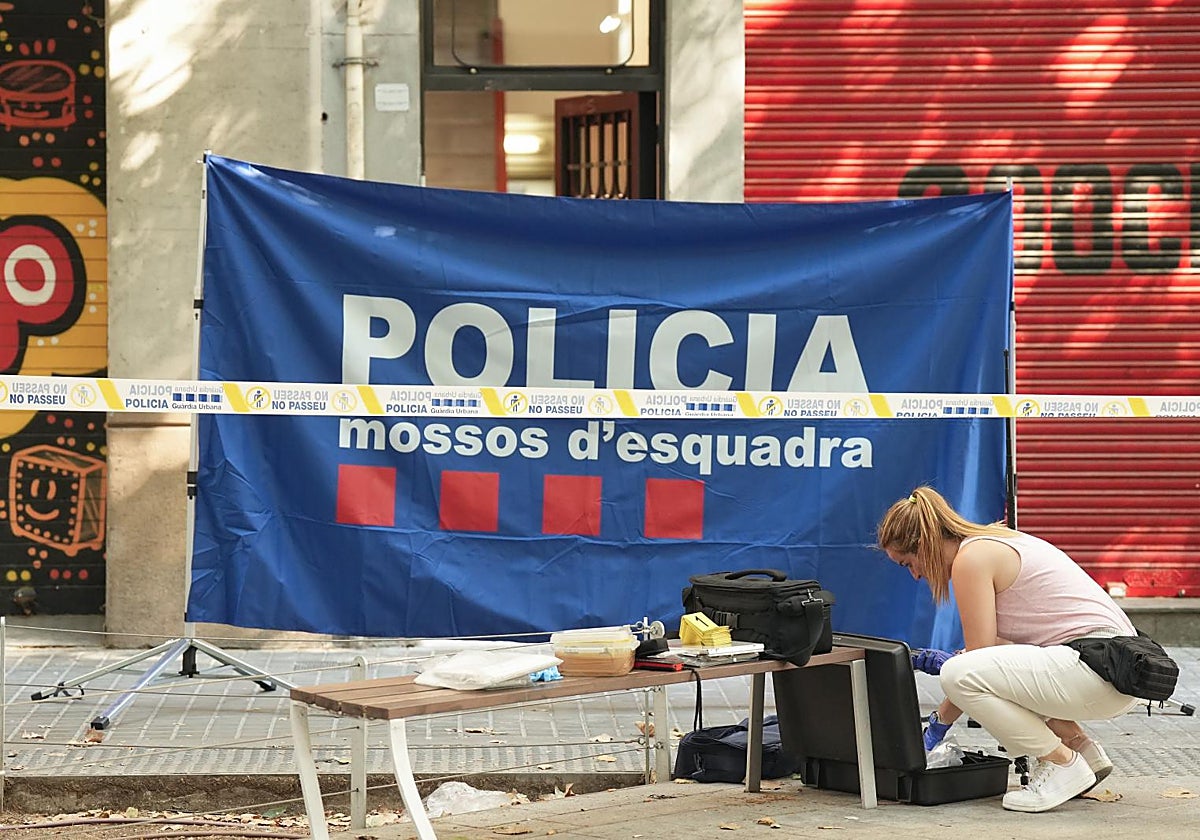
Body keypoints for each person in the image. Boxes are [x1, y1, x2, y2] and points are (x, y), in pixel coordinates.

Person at [876, 485, 1140, 813]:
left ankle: (1061, 763)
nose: (915, 575)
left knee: (961, 674)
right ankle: (1081, 748)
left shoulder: (970, 560)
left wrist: (936, 727)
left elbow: (976, 665)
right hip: (1117, 670)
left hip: (1097, 671)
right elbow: (1000, 656)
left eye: (908, 563)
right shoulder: (998, 541)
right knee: (985, 669)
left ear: (924, 544)